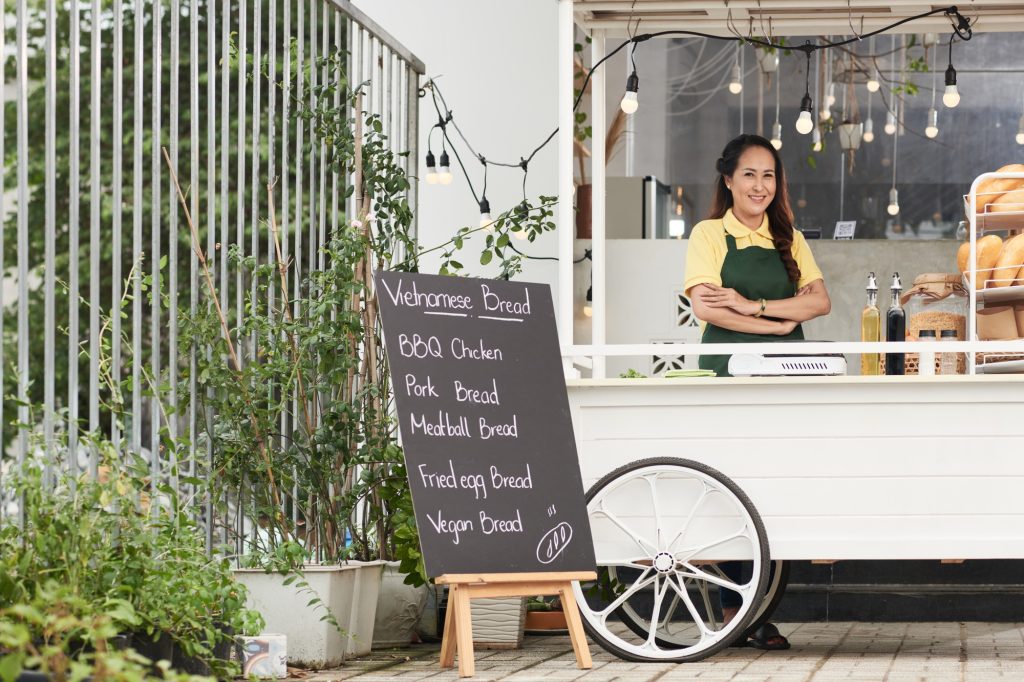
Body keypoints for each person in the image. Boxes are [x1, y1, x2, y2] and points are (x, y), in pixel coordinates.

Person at [683, 134, 831, 650]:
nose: (760, 185)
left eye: (769, 175)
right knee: (732, 487)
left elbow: (819, 303)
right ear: (728, 179)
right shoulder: (708, 234)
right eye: (749, 174)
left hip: (786, 376)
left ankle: (757, 608)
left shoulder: (787, 234)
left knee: (776, 484)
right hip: (727, 373)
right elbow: (705, 308)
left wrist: (753, 307)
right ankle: (733, 610)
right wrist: (771, 323)